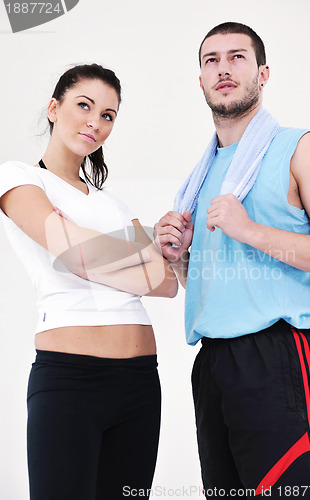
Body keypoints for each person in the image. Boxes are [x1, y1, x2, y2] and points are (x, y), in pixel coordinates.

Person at [154, 22, 310, 499]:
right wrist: (179, 258)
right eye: (211, 60)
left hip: (280, 356)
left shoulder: (301, 147)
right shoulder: (201, 174)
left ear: (263, 73)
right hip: (213, 364)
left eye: (237, 57)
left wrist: (249, 229)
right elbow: (220, 288)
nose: (223, 69)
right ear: (200, 80)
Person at [0, 63, 178, 500]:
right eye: (84, 106)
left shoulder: (111, 203)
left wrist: (93, 248)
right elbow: (75, 255)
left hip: (139, 383)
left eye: (108, 115)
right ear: (54, 107)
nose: (95, 122)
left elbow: (167, 281)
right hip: (69, 381)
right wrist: (137, 252)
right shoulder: (19, 178)